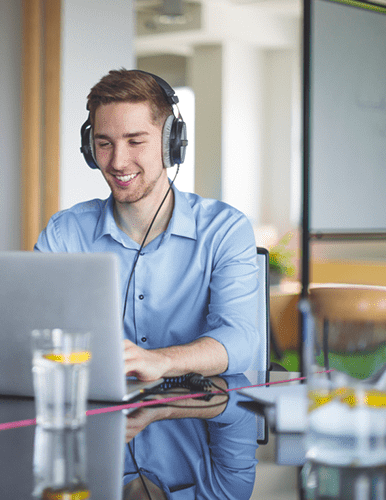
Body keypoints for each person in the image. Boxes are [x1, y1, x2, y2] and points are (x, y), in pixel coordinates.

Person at [34, 69, 257, 379]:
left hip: (192, 418)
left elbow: (241, 341)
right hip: (96, 416)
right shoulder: (64, 234)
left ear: (171, 143)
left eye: (135, 141)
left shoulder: (224, 229)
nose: (118, 162)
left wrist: (161, 361)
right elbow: (34, 333)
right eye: (104, 144)